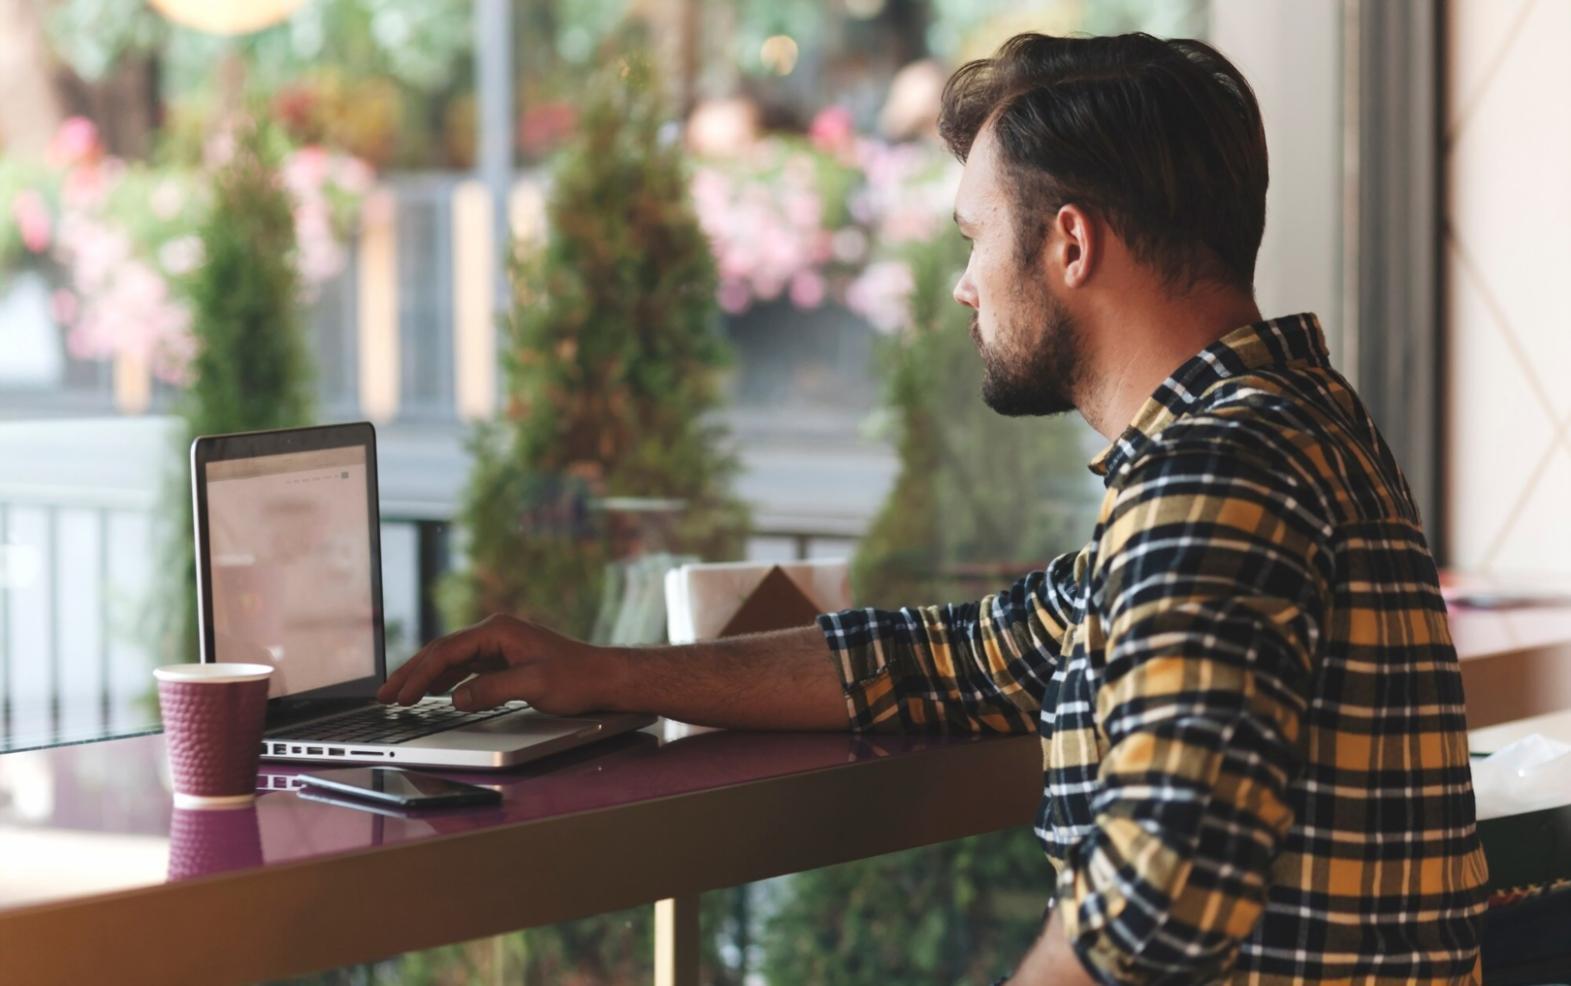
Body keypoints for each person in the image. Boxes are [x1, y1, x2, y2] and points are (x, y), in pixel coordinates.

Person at [380, 32, 1488, 985]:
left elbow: (1153, 904)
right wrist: (613, 672)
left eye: (972, 238)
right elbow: (963, 652)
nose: (962, 283)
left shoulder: (1213, 473)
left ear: (1066, 242)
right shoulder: (1291, 425)